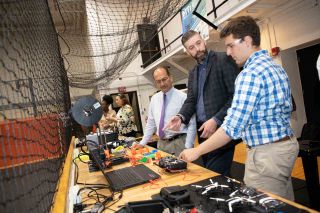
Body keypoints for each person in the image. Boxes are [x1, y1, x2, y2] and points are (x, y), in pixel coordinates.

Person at [178, 16, 299, 201]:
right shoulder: (275, 66)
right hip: (284, 148)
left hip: (266, 156)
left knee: (259, 204)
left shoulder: (249, 74)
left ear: (248, 41)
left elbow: (230, 128)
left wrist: (196, 151)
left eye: (231, 45)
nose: (228, 52)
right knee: (285, 204)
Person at [164, 30, 239, 175]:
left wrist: (216, 119)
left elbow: (235, 97)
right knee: (214, 175)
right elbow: (191, 100)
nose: (197, 49)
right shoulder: (193, 72)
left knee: (215, 174)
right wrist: (180, 117)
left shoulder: (223, 59)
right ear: (187, 51)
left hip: (221, 130)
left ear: (203, 41)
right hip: (203, 131)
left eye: (198, 43)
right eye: (191, 47)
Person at [133, 66, 197, 156]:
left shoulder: (183, 97)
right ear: (155, 83)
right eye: (158, 81)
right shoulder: (154, 99)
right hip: (161, 144)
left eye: (164, 79)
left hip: (179, 143)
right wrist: (142, 143)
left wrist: (188, 147)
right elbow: (151, 124)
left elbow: (192, 124)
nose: (162, 84)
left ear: (170, 78)